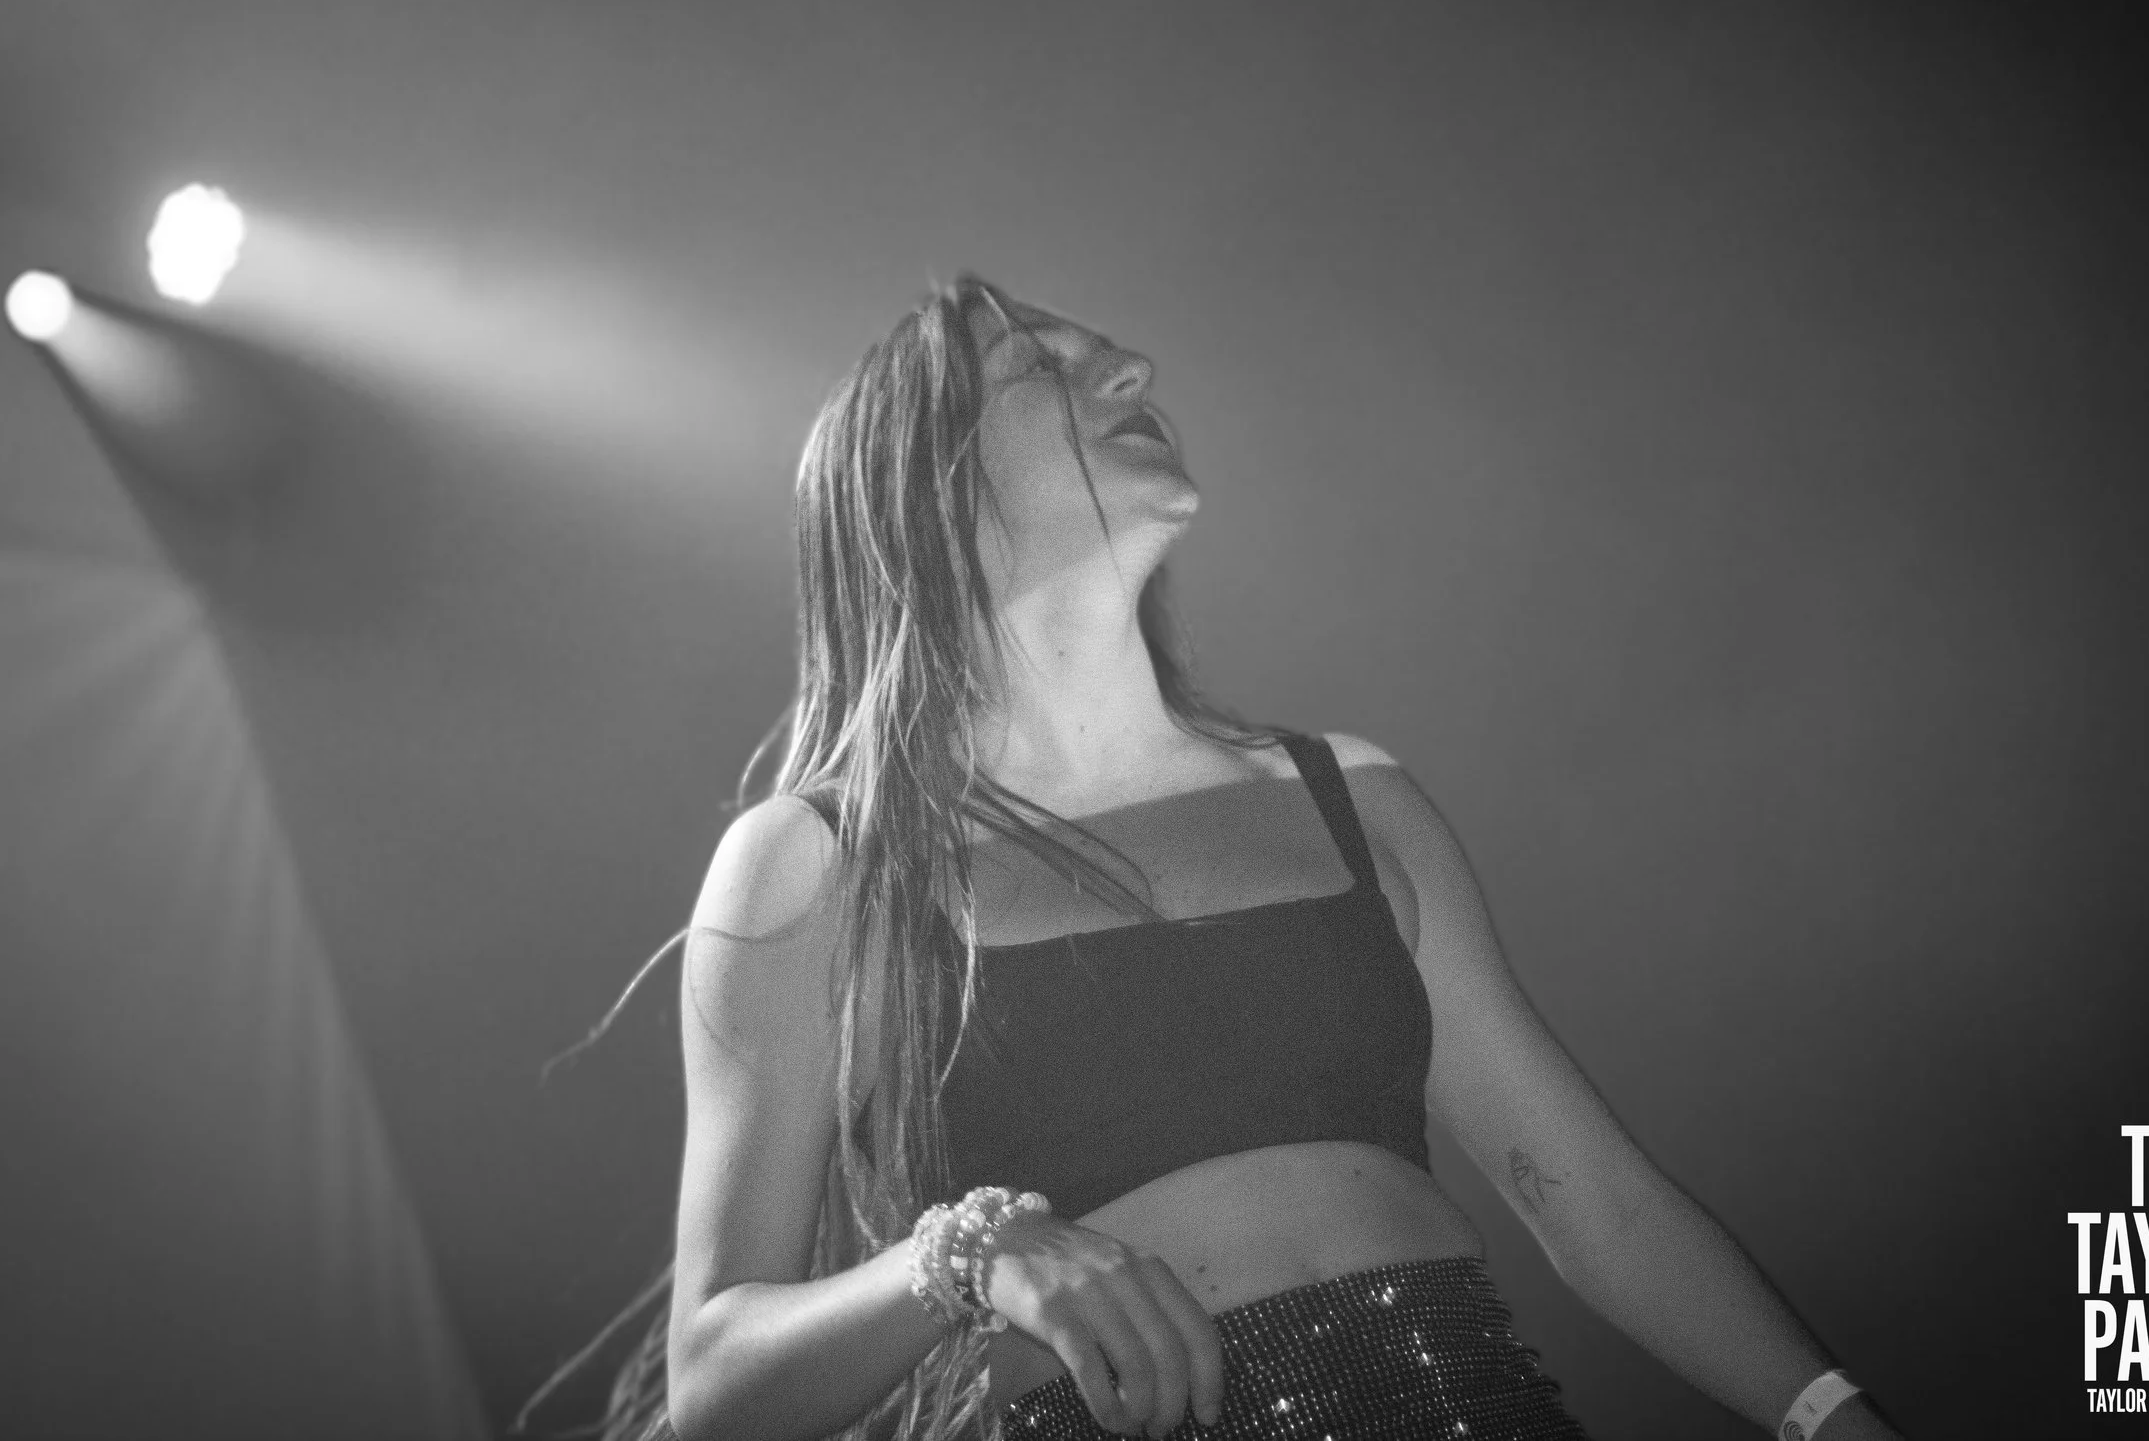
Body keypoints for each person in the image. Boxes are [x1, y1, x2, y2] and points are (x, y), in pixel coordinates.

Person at [614, 276, 1903, 1441]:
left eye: (1113, 354)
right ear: (924, 480)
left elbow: (1590, 1198)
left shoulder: (1348, 795)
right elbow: (717, 1384)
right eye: (1042, 366)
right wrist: (967, 1256)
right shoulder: (816, 861)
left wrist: (1834, 1420)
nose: (1131, 370)